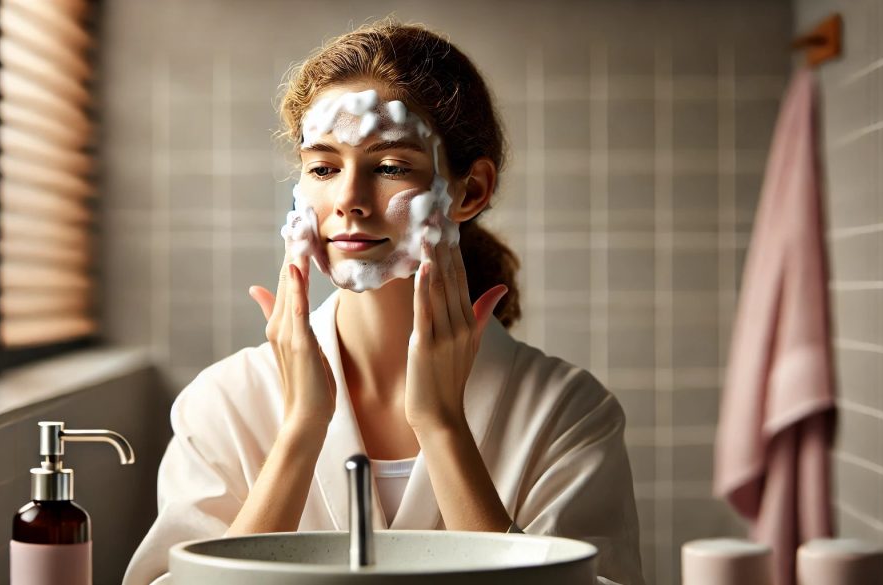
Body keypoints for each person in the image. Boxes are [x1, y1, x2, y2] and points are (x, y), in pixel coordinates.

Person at [123, 19, 644, 585]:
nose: (348, 200)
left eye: (391, 167)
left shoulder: (567, 414)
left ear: (470, 191)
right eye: (323, 168)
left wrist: (442, 427)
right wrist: (301, 428)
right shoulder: (222, 405)